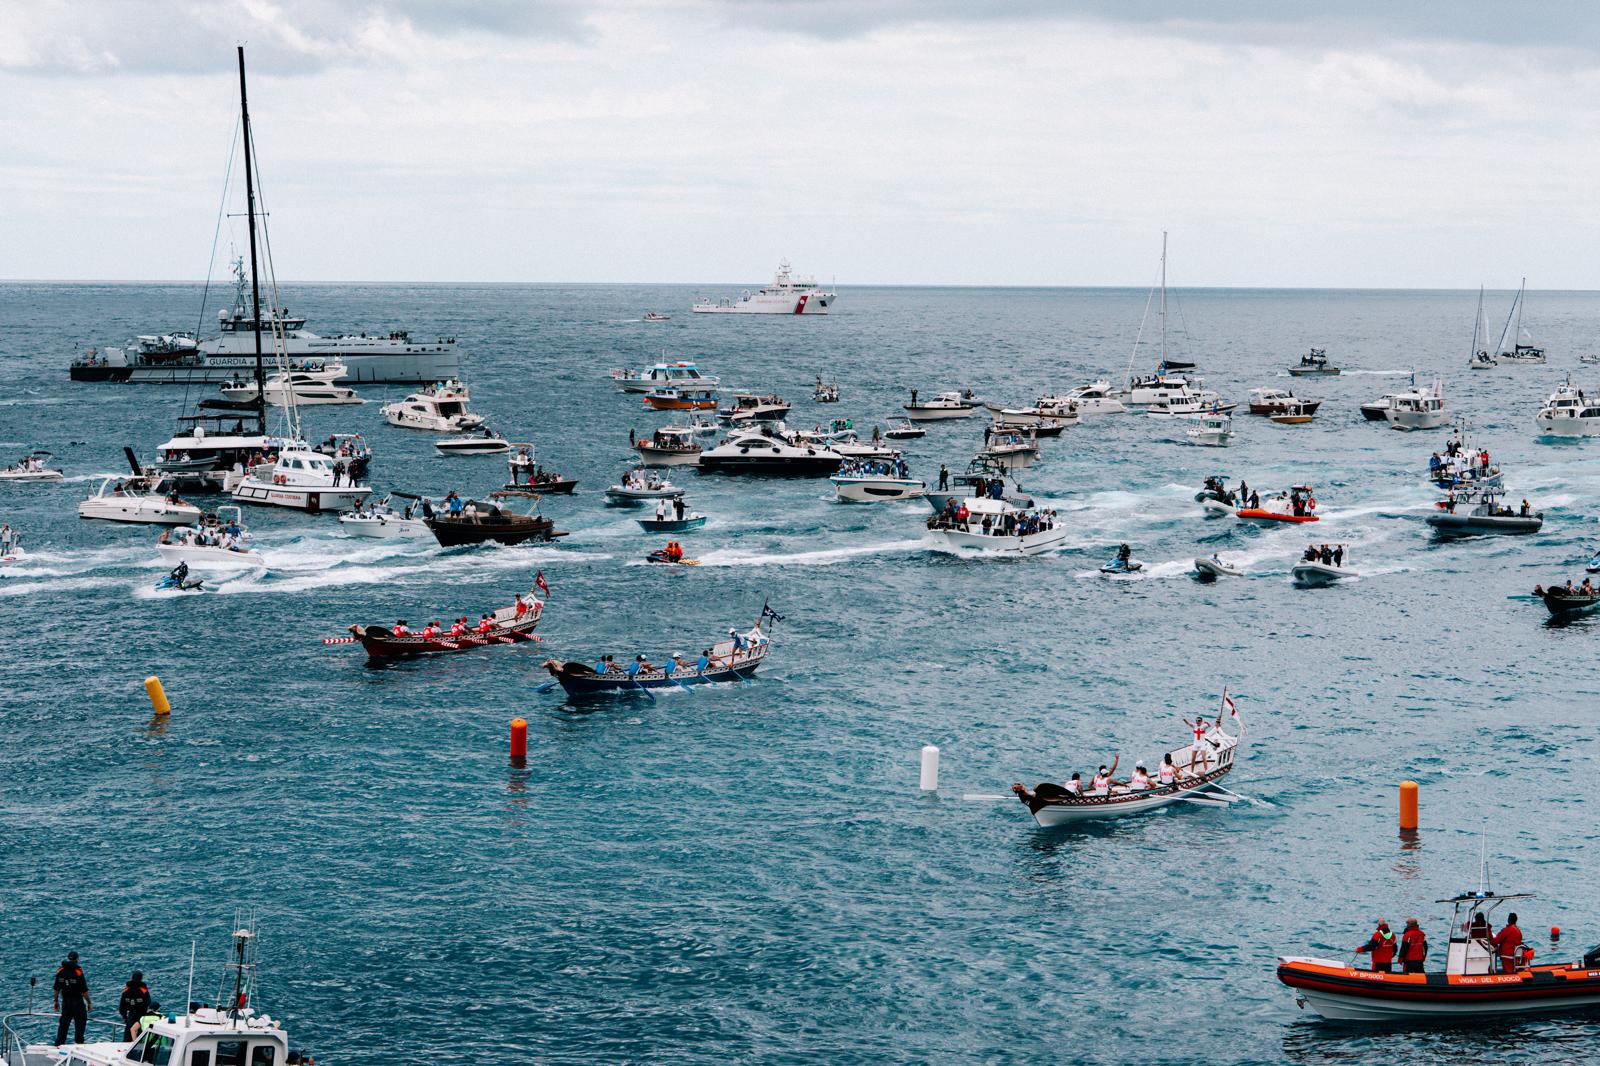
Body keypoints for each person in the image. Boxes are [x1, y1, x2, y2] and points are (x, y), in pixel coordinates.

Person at [53, 951, 90, 1046]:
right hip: (77, 1002)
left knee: (63, 1025)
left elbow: (56, 989)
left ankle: (58, 1045)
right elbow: (84, 991)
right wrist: (89, 1002)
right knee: (80, 1024)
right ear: (77, 959)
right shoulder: (78, 972)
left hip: (66, 1002)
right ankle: (79, 1044)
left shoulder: (60, 971)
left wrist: (56, 1001)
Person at [119, 971, 152, 1040]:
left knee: (128, 1035)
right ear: (141, 978)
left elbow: (122, 1007)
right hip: (142, 1015)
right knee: (141, 1035)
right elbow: (148, 1003)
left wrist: (125, 1017)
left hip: (131, 1016)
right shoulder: (143, 990)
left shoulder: (126, 991)